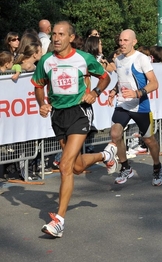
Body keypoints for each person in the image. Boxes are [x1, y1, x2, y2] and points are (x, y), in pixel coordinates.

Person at [31, 21, 117, 238]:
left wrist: (96, 92)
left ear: (71, 37)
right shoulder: (46, 61)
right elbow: (39, 85)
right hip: (58, 115)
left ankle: (59, 221)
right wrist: (42, 103)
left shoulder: (83, 58)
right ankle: (105, 154)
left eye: (61, 34)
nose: (56, 38)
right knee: (76, 167)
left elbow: (105, 77)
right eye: (54, 35)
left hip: (80, 111)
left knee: (65, 165)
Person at [107, 29, 162, 186]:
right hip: (123, 104)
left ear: (134, 42)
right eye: (120, 40)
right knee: (115, 134)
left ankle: (157, 166)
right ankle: (126, 168)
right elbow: (121, 80)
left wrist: (137, 93)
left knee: (149, 140)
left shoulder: (141, 59)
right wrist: (113, 91)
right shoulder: (118, 60)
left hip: (140, 105)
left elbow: (154, 83)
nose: (122, 43)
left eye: (126, 40)